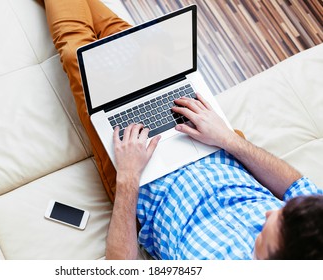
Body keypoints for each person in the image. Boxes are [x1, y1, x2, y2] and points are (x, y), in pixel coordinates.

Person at [42, 0, 323, 260]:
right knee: (133, 44)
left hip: (142, 176)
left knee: (76, 54)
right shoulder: (314, 228)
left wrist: (128, 177)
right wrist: (227, 140)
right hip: (217, 144)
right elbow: (296, 186)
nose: (270, 209)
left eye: (268, 229)